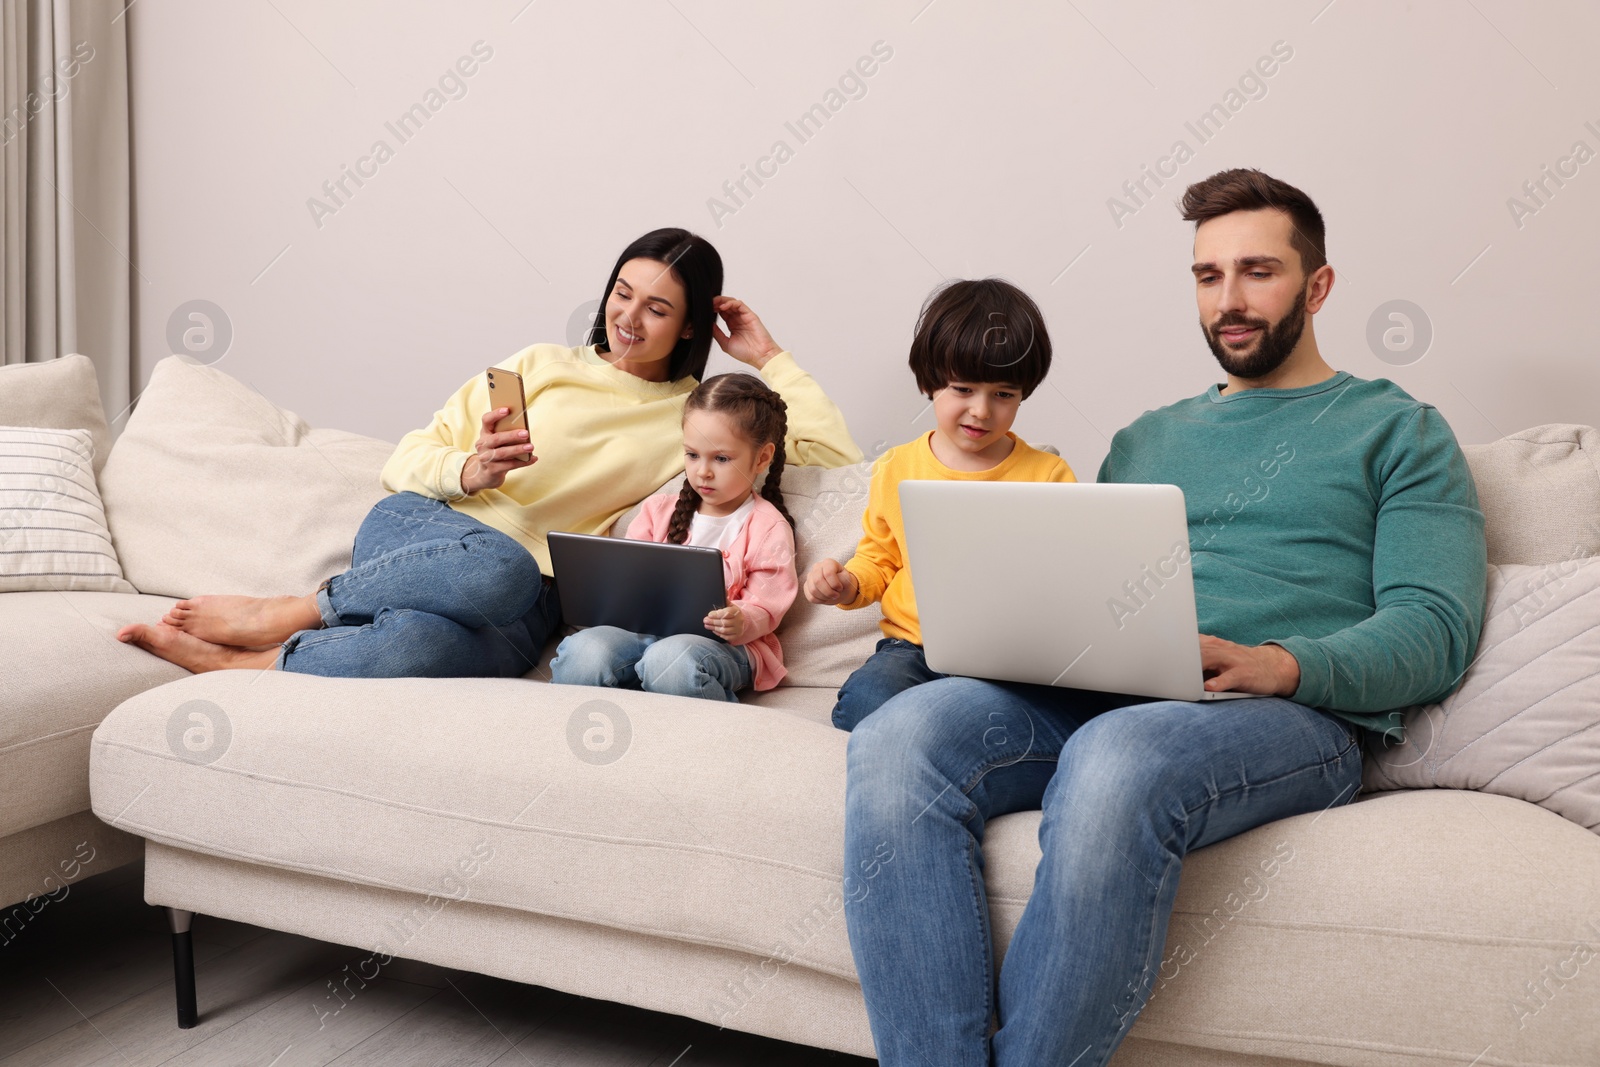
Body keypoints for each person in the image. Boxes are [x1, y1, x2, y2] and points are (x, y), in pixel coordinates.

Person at [841, 169, 1487, 1066]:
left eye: (1257, 271)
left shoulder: (1400, 431)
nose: (1229, 299)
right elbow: (1083, 586)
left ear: (1319, 285)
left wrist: (1279, 662)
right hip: (1115, 689)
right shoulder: (1145, 439)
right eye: (1207, 275)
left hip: (1287, 715)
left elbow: (1435, 629)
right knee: (898, 736)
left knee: (1118, 760)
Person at [117, 228, 860, 677]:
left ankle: (243, 663)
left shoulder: (695, 417)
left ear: (690, 324)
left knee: (421, 647)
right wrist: (467, 470)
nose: (629, 317)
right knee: (500, 563)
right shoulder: (541, 363)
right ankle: (296, 609)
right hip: (422, 531)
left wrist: (770, 355)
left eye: (657, 307)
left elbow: (832, 452)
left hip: (529, 599)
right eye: (622, 293)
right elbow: (406, 458)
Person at [803, 278, 1075, 731]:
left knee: (1036, 714)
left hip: (1010, 657)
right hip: (913, 650)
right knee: (862, 702)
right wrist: (848, 585)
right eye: (963, 389)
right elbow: (880, 559)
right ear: (931, 384)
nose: (982, 411)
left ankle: (948, 722)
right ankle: (934, 721)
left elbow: (1067, 579)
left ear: (1023, 393)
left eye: (1003, 394)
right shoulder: (897, 467)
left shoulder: (1048, 475)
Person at [549, 374, 798, 702]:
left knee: (670, 660)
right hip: (643, 634)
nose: (703, 471)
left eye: (721, 459)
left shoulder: (768, 527)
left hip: (726, 647)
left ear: (762, 458)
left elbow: (768, 604)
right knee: (584, 653)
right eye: (692, 455)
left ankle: (705, 728)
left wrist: (743, 619)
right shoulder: (657, 510)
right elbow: (625, 576)